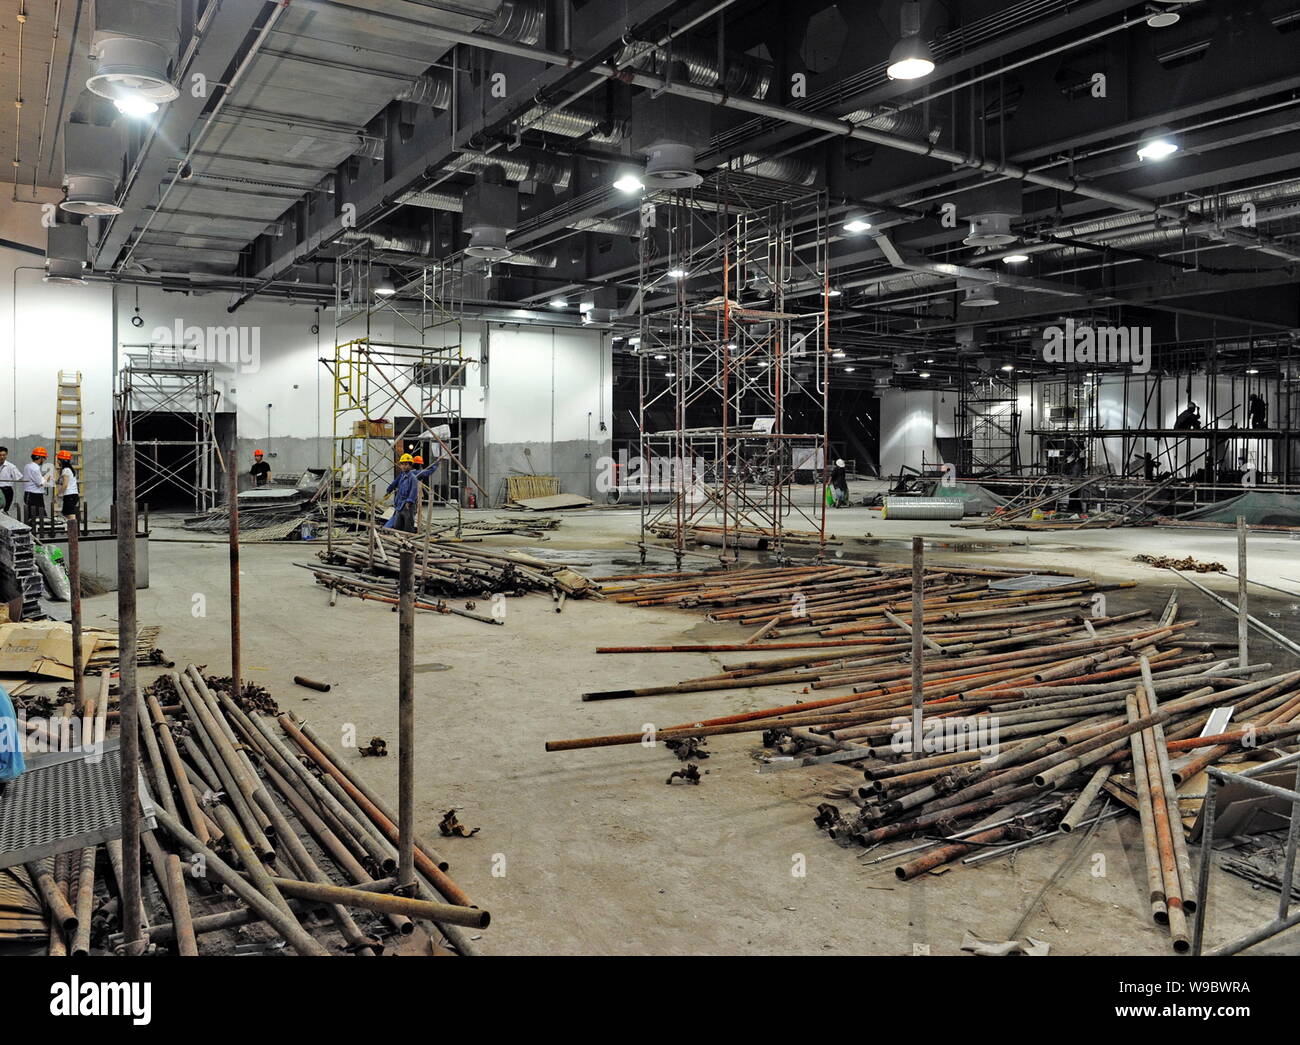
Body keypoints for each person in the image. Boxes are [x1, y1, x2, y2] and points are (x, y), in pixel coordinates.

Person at [383, 453, 440, 532]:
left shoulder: (413, 476)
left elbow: (413, 490)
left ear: (411, 465)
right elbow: (395, 482)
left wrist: (409, 501)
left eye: (406, 464)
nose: (403, 466)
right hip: (400, 503)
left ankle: (401, 534)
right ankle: (390, 530)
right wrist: (388, 490)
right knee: (397, 522)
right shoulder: (404, 475)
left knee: (407, 524)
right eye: (402, 464)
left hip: (407, 504)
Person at [21, 447, 50, 534]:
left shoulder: (28, 466)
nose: (44, 460)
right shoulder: (35, 468)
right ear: (40, 458)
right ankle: (36, 535)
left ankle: (32, 534)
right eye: (44, 458)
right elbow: (41, 483)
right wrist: (48, 476)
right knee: (38, 517)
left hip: (30, 494)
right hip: (34, 496)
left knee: (32, 516)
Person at [54, 450, 79, 521]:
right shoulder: (69, 469)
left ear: (61, 460)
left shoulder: (66, 470)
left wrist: (58, 495)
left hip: (70, 495)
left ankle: (74, 531)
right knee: (66, 513)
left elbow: (65, 485)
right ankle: (73, 530)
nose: (57, 461)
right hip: (72, 495)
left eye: (58, 460)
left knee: (71, 517)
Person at [0, 447, 21, 514]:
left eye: (4, 455)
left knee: (4, 510)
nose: (2, 457)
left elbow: (19, 477)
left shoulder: (11, 466)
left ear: (6, 455)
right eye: (0, 455)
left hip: (6, 490)